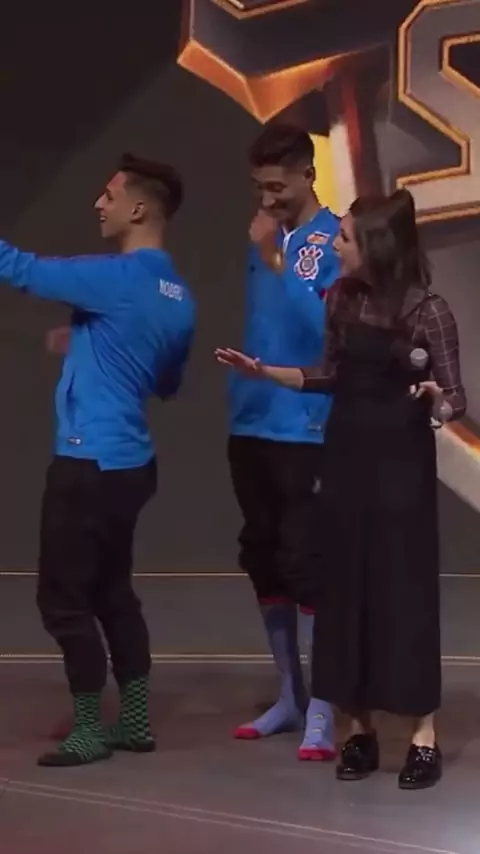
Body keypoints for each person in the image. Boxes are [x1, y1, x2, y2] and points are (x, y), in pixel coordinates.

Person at [216, 188, 466, 790]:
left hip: (401, 475)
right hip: (345, 465)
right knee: (345, 592)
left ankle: (423, 737)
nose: (334, 244)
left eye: (345, 236)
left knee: (402, 596)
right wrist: (265, 372)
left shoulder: (428, 311)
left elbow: (455, 399)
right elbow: (328, 375)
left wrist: (438, 400)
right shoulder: (341, 302)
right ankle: (358, 731)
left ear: (375, 245)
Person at [0, 152, 196, 767]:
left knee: (63, 600)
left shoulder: (116, 279)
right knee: (112, 592)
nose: (98, 204)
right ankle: (133, 722)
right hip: (131, 466)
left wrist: (96, 339)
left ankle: (89, 728)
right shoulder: (178, 296)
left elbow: (19, 268)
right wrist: (92, 342)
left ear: (138, 209)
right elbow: (166, 382)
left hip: (86, 465)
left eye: (108, 195)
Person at [226, 123, 341, 759]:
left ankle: (325, 706)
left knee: (307, 563)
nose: (266, 200)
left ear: (308, 175)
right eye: (258, 188)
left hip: (307, 426)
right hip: (251, 423)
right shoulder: (263, 235)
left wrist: (275, 260)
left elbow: (329, 332)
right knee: (264, 557)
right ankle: (290, 696)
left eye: (277, 186)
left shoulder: (336, 238)